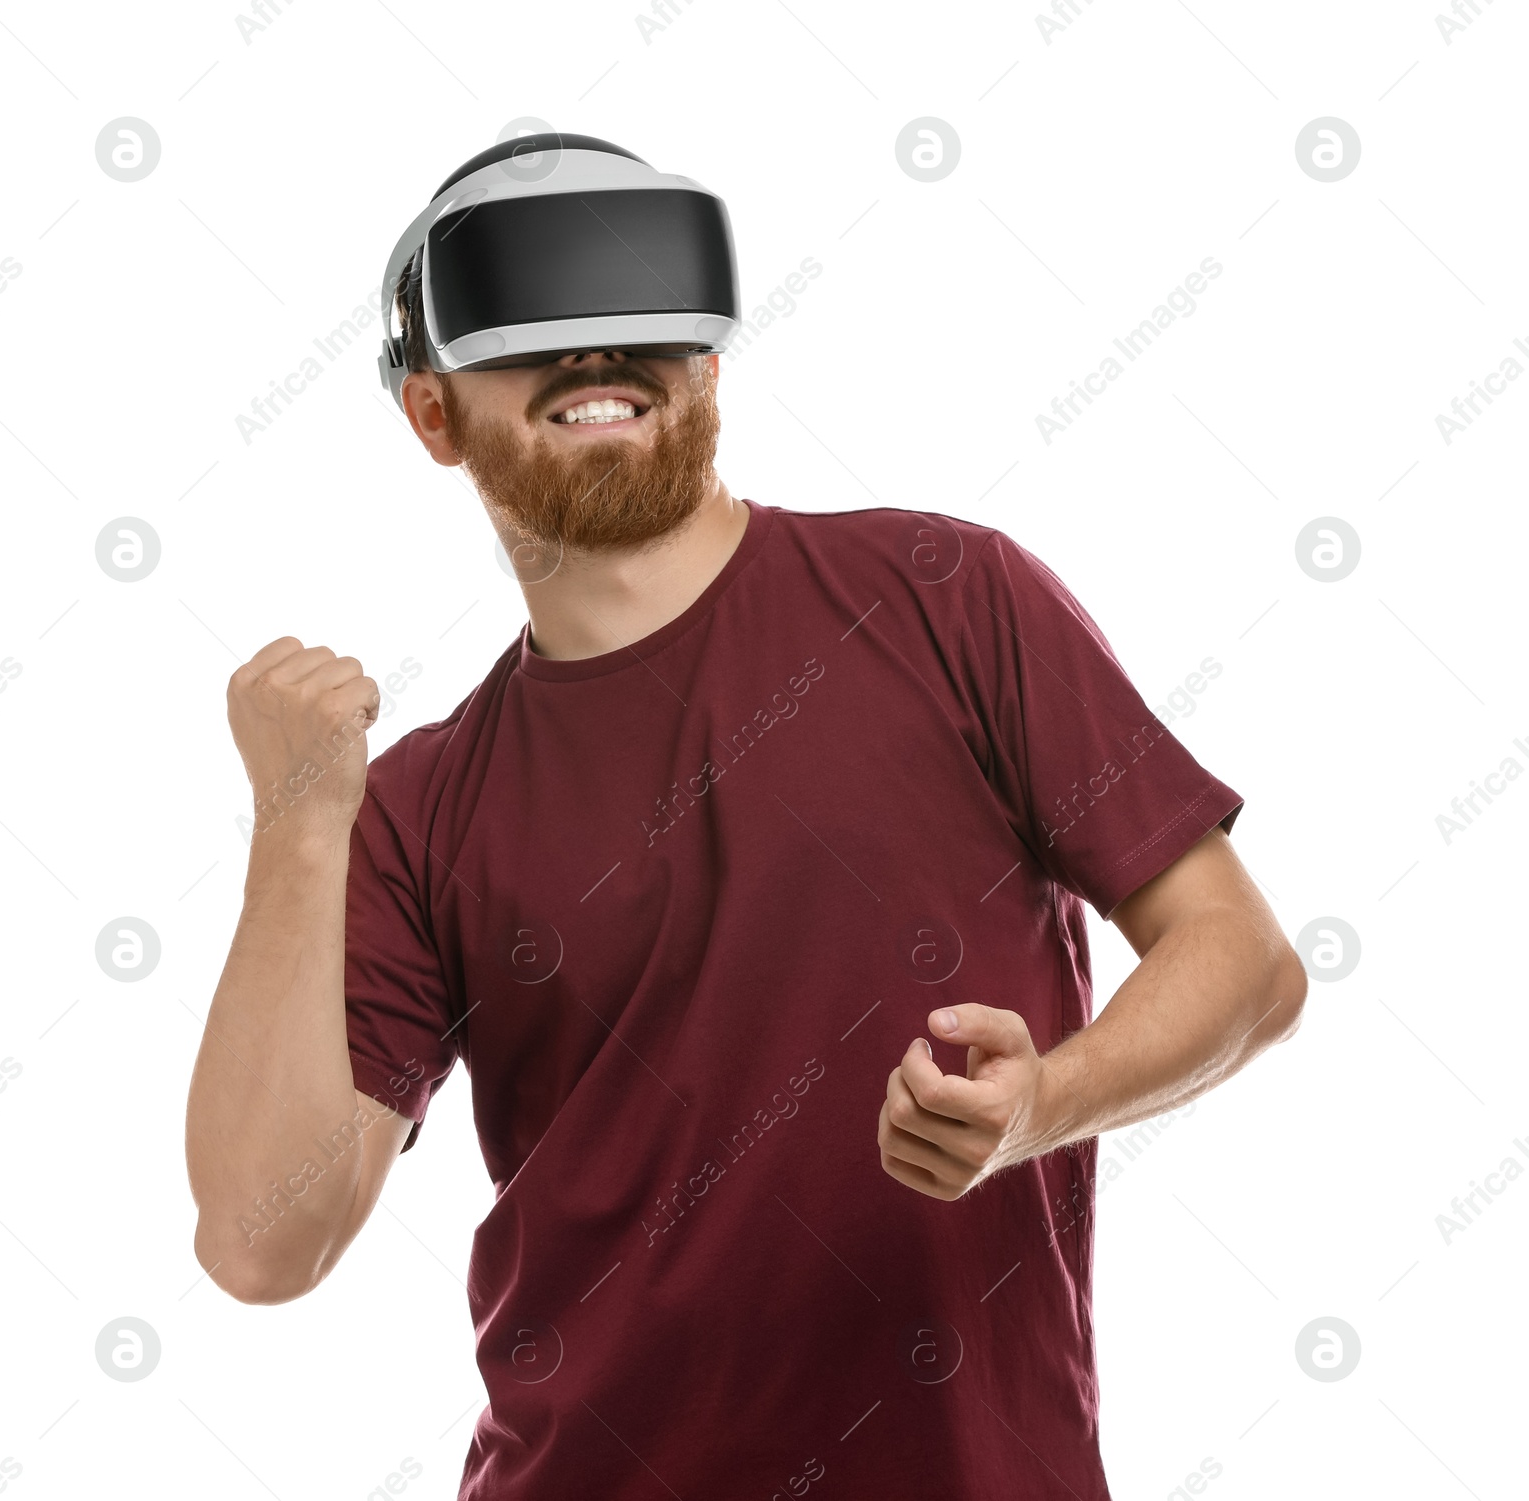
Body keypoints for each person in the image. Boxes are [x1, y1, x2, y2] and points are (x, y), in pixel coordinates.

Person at [186, 147, 1307, 1501]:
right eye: (529, 314)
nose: (597, 350)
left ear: (711, 362)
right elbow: (264, 1240)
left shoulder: (953, 599)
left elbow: (1243, 956)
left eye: (641, 305)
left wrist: (1045, 1104)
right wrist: (297, 831)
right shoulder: (419, 808)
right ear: (432, 412)